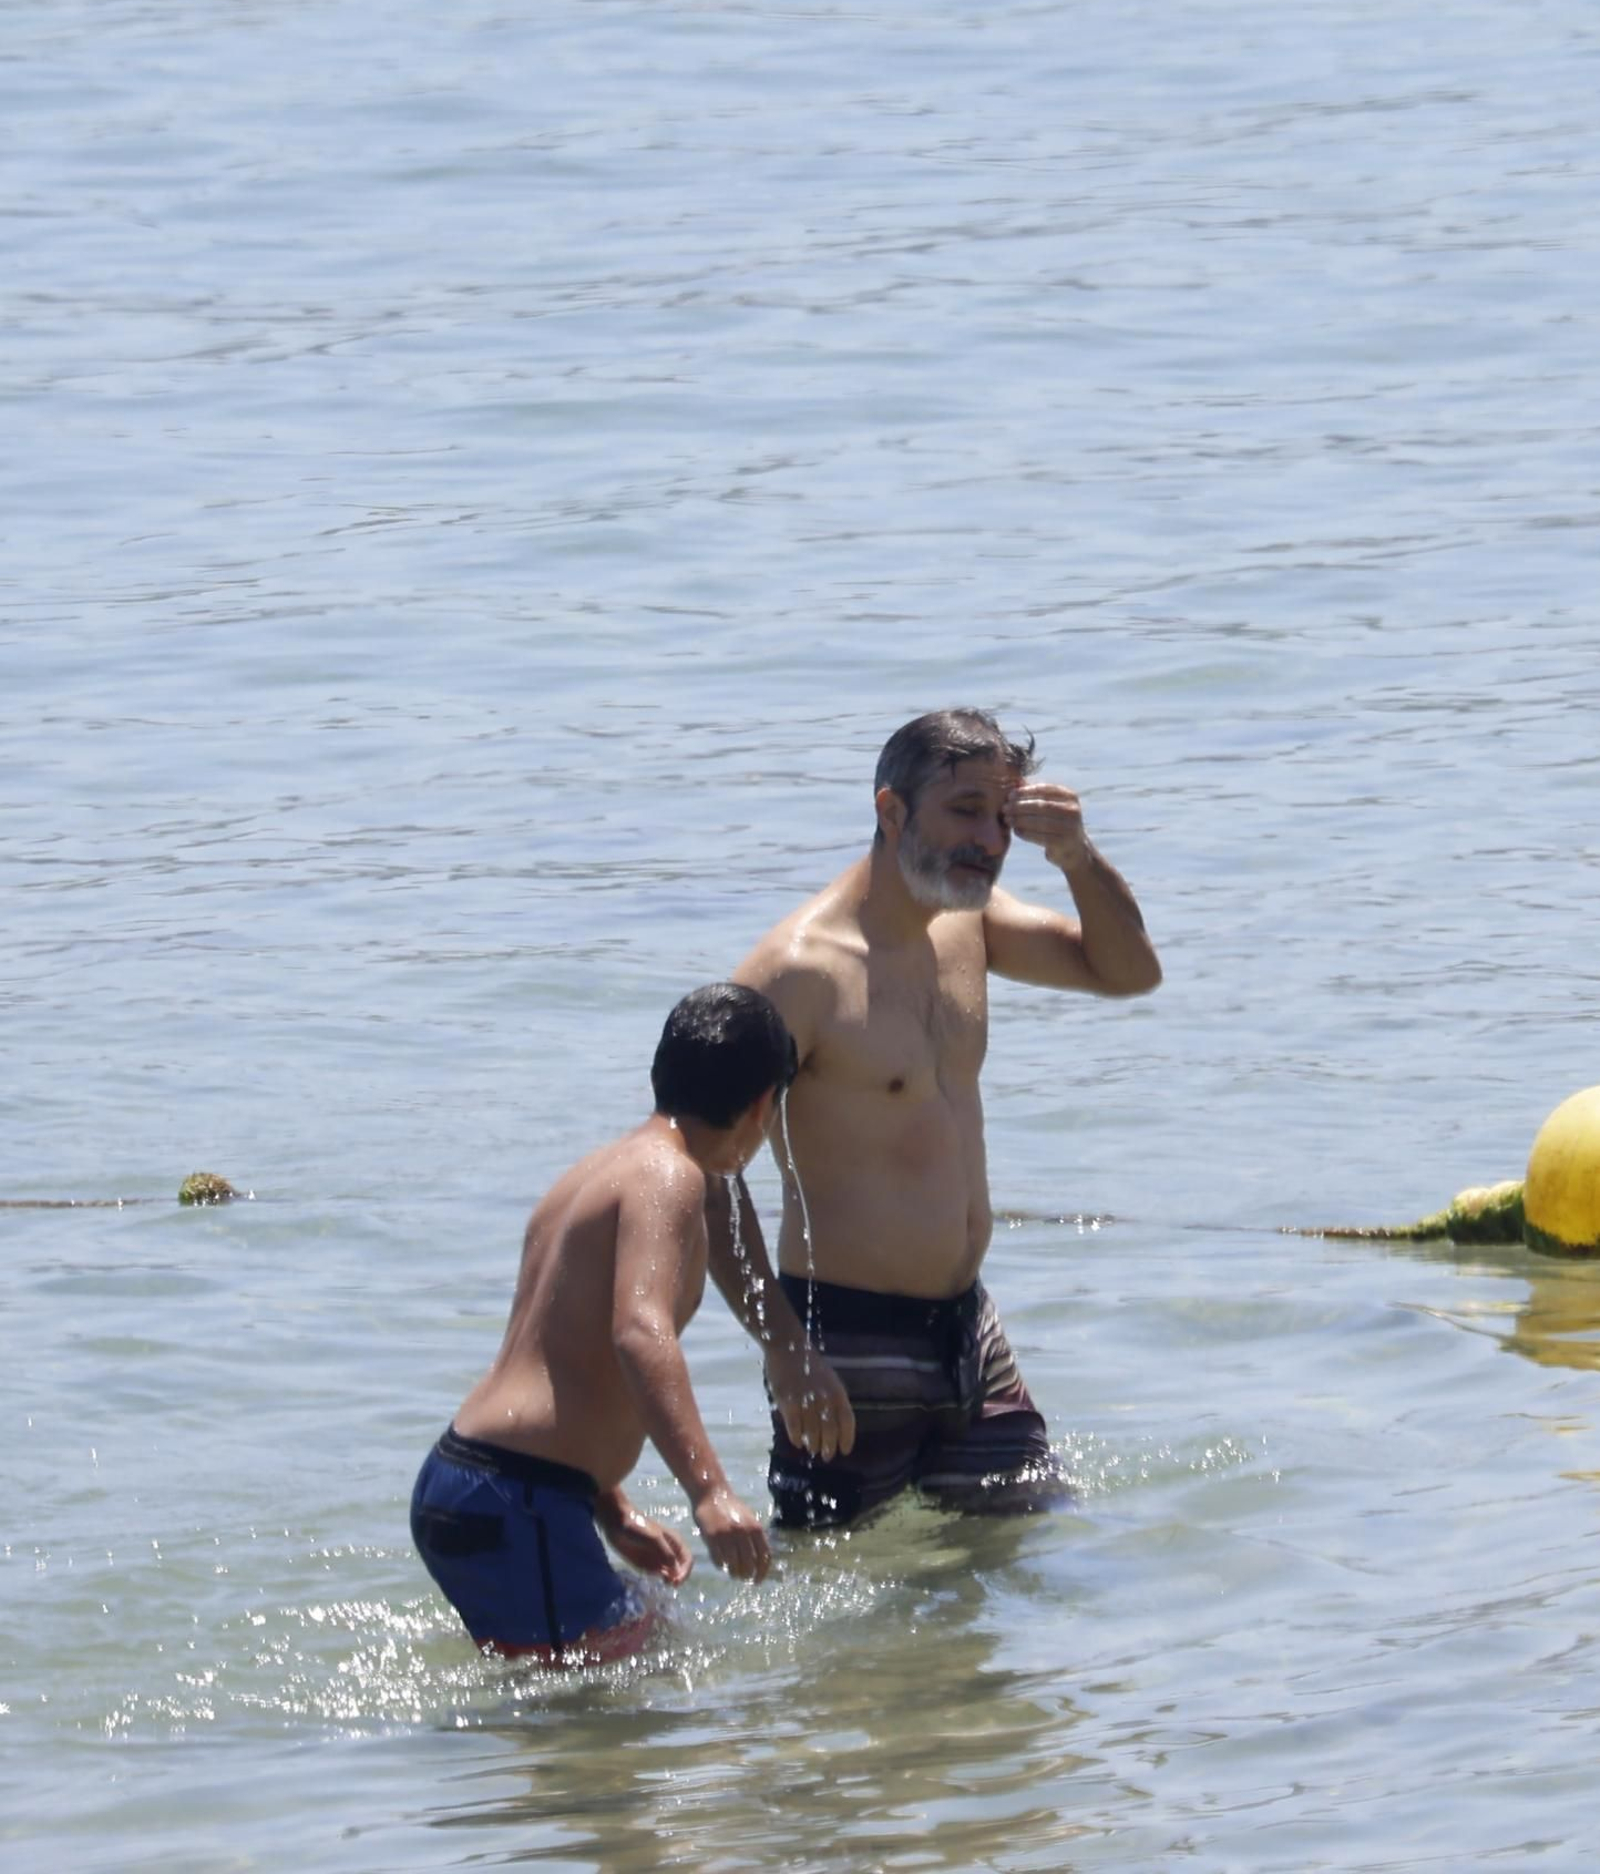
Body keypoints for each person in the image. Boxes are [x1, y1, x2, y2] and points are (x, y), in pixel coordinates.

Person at [709, 710, 1162, 1528]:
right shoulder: (799, 974)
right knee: (837, 1612)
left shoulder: (970, 923)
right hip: (843, 1342)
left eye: (1004, 816)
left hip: (970, 1334)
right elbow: (705, 1173)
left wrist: (1074, 856)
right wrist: (783, 1346)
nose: (988, 839)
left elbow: (1129, 972)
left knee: (1030, 1552)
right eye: (964, 810)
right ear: (891, 811)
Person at [411, 982, 794, 1663]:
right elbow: (638, 1332)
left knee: (626, 1670)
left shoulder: (593, 1173)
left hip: (478, 1484)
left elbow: (559, 1357)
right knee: (613, 1706)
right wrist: (710, 1492)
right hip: (517, 1497)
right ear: (762, 1104)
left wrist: (611, 1510)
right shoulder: (670, 1176)